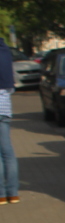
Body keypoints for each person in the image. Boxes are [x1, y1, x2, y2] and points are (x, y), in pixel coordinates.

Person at [0, 38, 17, 204]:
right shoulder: (5, 53)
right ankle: (13, 193)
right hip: (4, 108)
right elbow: (11, 87)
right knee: (8, 152)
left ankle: (1, 195)